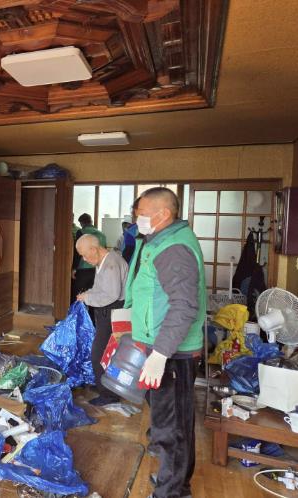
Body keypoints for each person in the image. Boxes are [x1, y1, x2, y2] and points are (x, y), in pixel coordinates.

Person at [124, 187, 205, 498]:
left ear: (163, 214)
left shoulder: (173, 248)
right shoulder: (158, 240)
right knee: (171, 423)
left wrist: (159, 355)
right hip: (163, 345)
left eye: (142, 214)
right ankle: (176, 483)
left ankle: (172, 492)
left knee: (172, 430)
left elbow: (183, 306)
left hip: (172, 353)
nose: (138, 220)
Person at [75, 234, 128, 406]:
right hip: (106, 313)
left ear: (93, 249)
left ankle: (109, 395)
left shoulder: (111, 263)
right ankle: (103, 385)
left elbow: (111, 295)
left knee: (100, 354)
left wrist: (88, 298)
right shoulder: (103, 261)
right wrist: (87, 294)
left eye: (84, 255)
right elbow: (100, 289)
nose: (84, 259)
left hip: (112, 313)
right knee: (104, 353)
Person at [71, 213, 107, 299]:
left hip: (83, 269)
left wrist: (74, 268)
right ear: (91, 221)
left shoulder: (81, 232)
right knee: (93, 294)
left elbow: (78, 253)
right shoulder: (102, 234)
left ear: (81, 223)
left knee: (78, 294)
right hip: (97, 269)